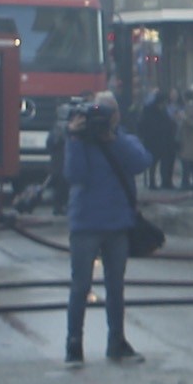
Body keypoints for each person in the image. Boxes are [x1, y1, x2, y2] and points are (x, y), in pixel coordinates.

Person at [60, 95, 147, 366]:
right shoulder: (79, 141)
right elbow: (75, 176)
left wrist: (113, 139)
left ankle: (117, 341)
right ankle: (74, 344)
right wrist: (75, 139)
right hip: (86, 223)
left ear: (116, 115)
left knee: (116, 286)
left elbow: (141, 161)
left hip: (117, 223)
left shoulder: (122, 139)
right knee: (80, 286)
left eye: (109, 112)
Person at [135, 87, 181, 196]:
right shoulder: (149, 110)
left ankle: (166, 181)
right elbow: (143, 124)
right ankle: (152, 182)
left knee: (166, 162)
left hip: (165, 140)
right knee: (153, 162)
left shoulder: (163, 109)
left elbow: (167, 122)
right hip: (153, 141)